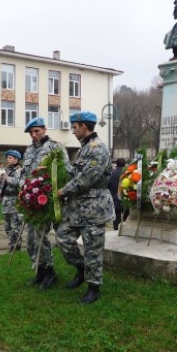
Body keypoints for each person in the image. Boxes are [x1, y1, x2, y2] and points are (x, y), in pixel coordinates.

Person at [56, 112, 113, 304]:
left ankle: (93, 287)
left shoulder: (98, 149)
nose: (72, 131)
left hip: (94, 207)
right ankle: (81, 269)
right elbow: (75, 173)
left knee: (93, 249)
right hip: (77, 208)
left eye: (74, 127)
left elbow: (87, 178)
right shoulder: (84, 149)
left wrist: (64, 190)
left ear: (84, 127)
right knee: (63, 237)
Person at [23, 116, 69, 290]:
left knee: (41, 238)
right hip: (32, 201)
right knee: (32, 240)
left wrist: (55, 192)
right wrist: (24, 192)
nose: (34, 135)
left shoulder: (56, 147)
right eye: (31, 132)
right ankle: (41, 270)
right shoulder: (28, 151)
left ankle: (50, 273)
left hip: (49, 200)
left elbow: (66, 171)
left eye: (37, 131)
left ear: (44, 129)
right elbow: (26, 174)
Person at [0, 150, 24, 252]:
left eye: (10, 158)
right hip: (6, 200)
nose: (7, 159)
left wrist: (7, 178)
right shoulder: (8, 170)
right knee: (7, 225)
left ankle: (16, 245)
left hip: (15, 200)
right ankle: (12, 242)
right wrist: (0, 191)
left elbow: (18, 183)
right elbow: (3, 183)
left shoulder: (20, 171)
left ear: (16, 159)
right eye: (7, 157)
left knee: (16, 225)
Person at [109, 158, 126, 230]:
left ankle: (116, 230)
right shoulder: (126, 173)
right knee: (126, 217)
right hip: (125, 198)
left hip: (114, 198)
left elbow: (108, 186)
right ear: (124, 164)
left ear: (116, 163)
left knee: (116, 217)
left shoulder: (112, 173)